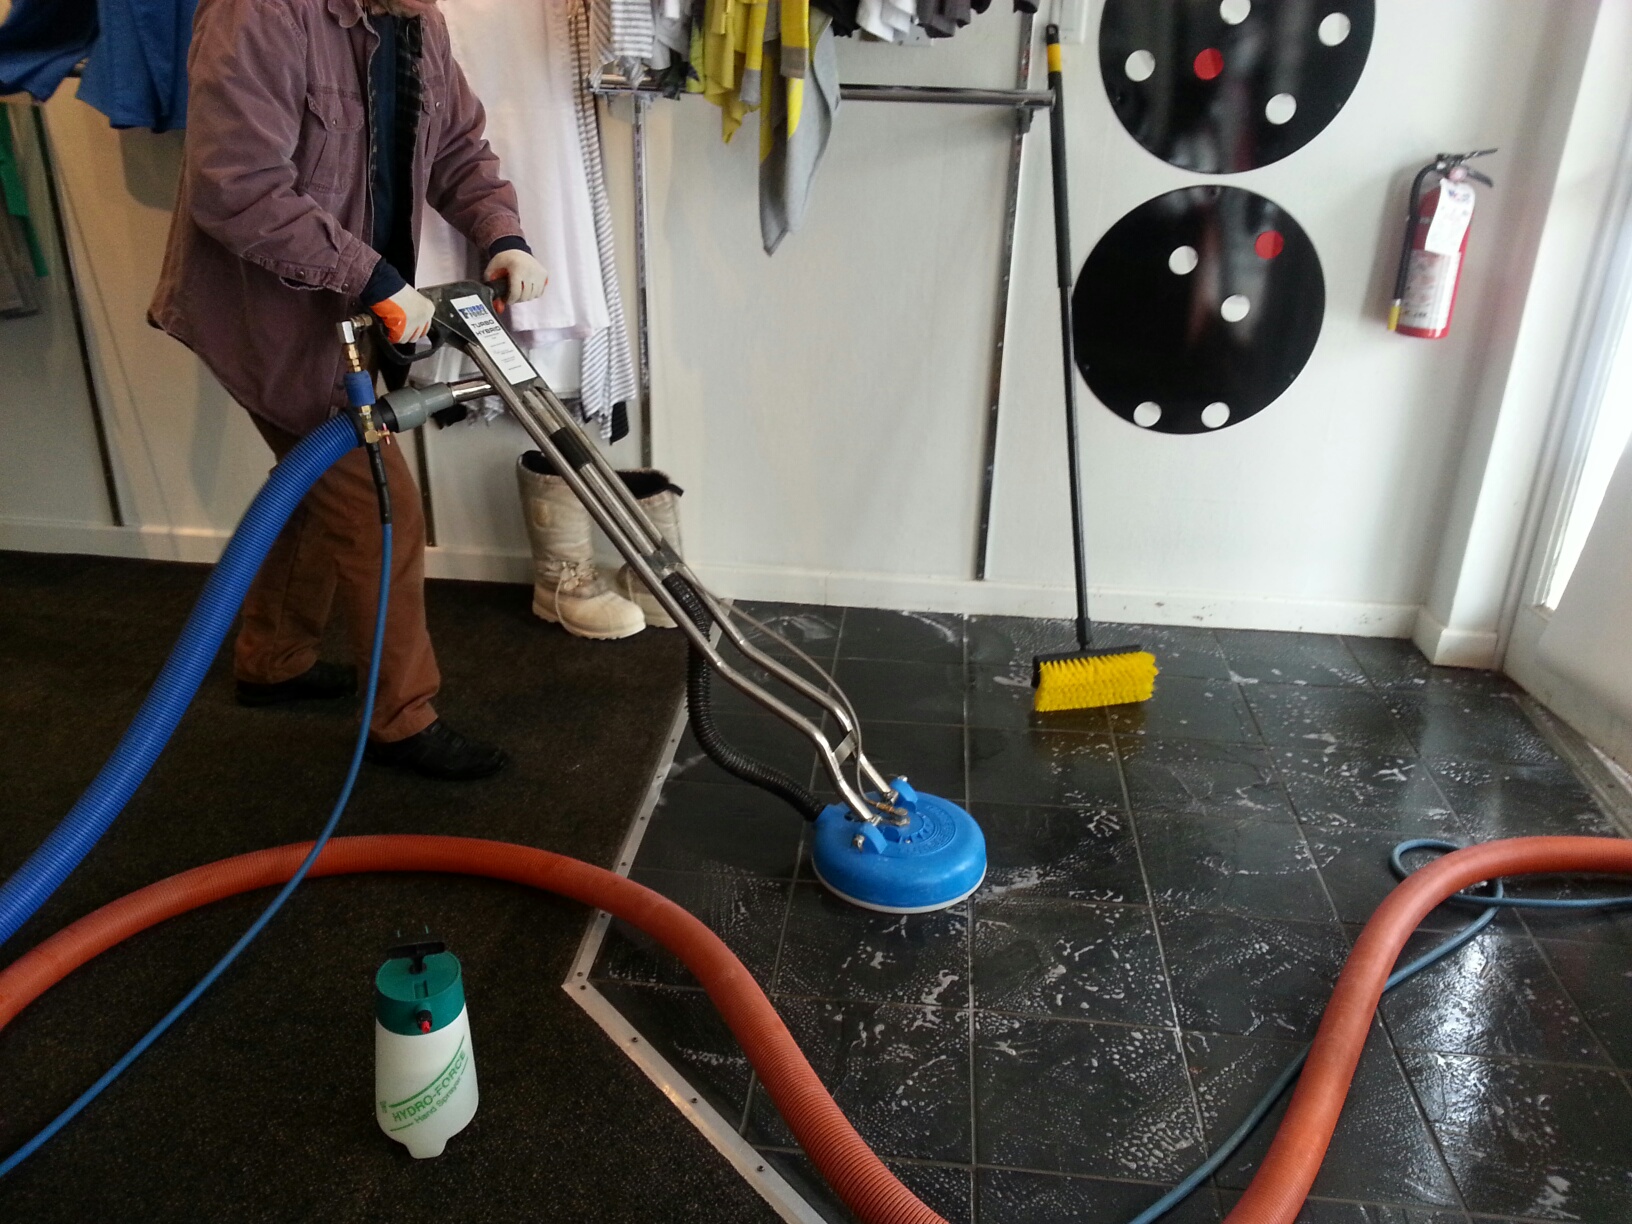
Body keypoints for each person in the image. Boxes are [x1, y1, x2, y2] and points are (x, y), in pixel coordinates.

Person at [150, 0, 549, 781]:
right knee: (377, 506)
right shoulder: (258, 14)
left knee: (315, 486)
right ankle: (402, 721)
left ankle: (274, 659)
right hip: (268, 318)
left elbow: (456, 146)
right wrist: (375, 279)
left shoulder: (416, 19)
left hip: (352, 311)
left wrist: (502, 234)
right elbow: (237, 187)